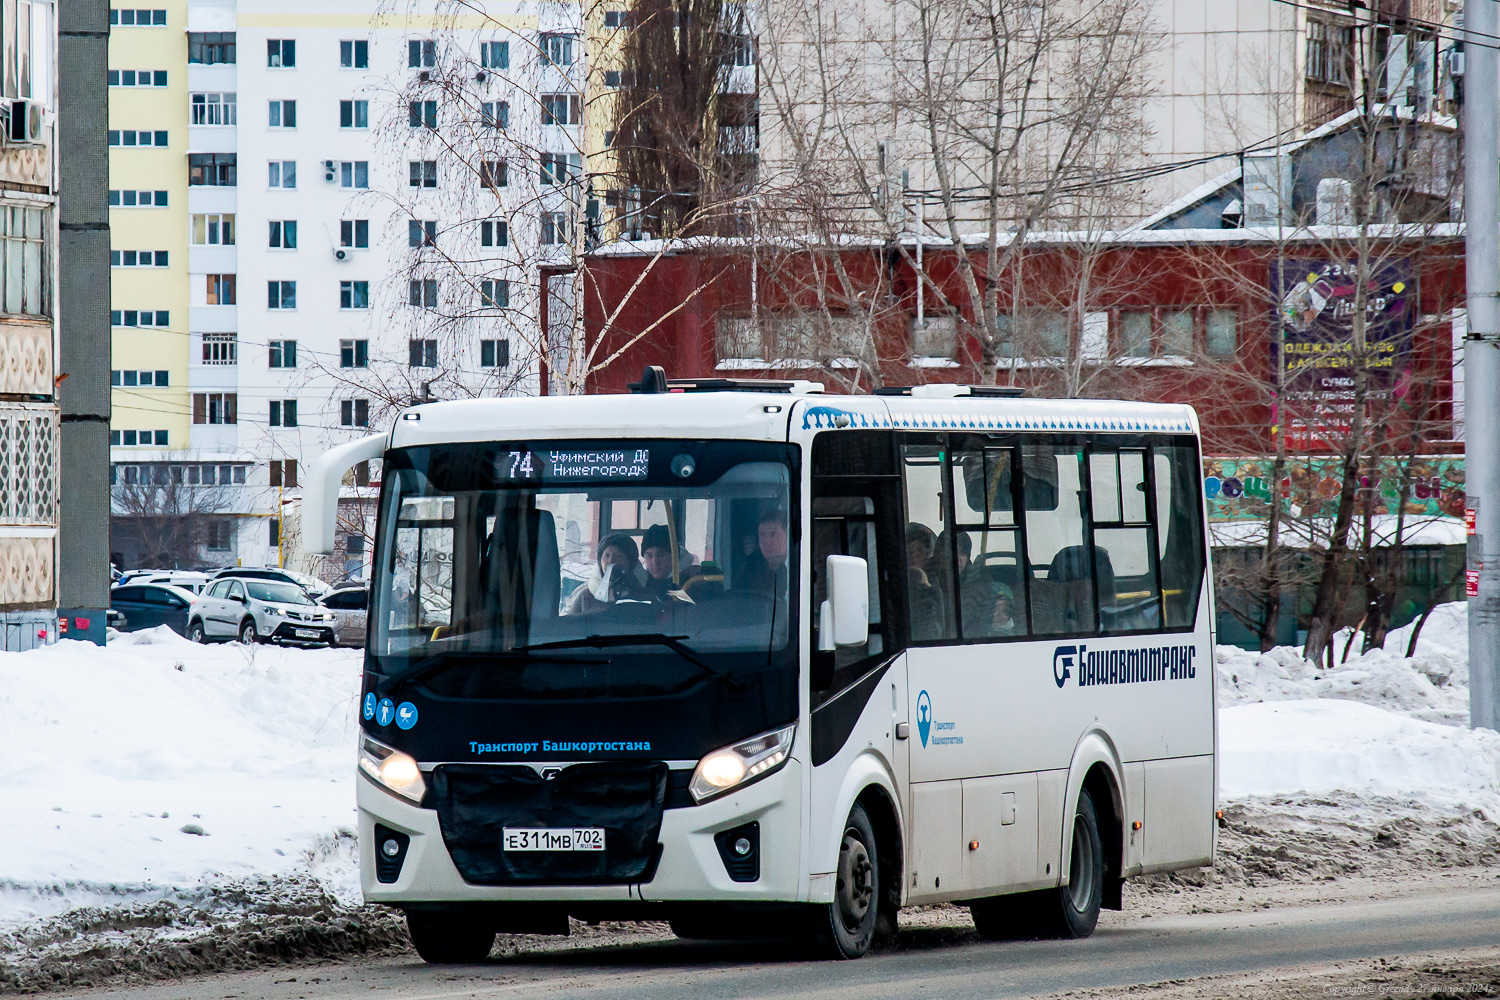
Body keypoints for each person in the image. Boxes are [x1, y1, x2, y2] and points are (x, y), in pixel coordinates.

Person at [566, 532, 648, 614]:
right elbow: (570, 625)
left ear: (630, 562)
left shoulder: (644, 595)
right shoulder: (586, 597)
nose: (611, 561)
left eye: (618, 556)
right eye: (607, 555)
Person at [640, 523, 698, 598]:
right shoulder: (640, 583)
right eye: (649, 556)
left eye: (661, 555)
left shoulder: (693, 580)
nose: (655, 562)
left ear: (674, 556)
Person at [742, 506, 789, 595]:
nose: (767, 541)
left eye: (773, 534)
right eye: (762, 535)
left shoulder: (799, 566)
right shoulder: (751, 568)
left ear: (787, 535)